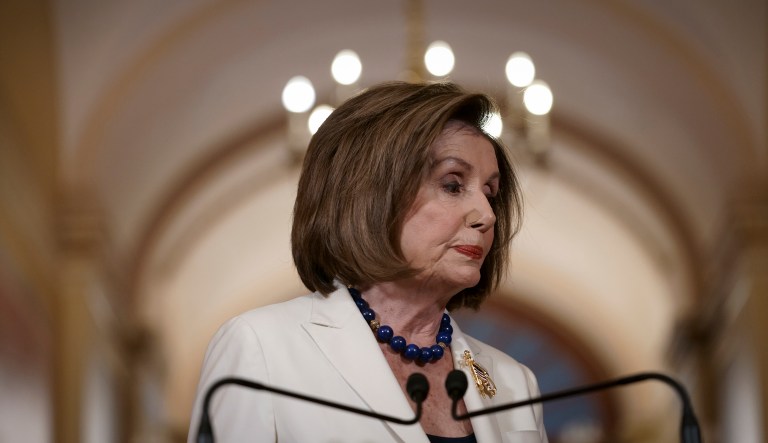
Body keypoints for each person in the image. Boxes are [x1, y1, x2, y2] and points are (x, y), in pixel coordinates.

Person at [187, 82, 548, 443]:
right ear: (371, 196)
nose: (487, 215)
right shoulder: (260, 348)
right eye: (453, 185)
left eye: (490, 192)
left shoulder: (515, 383)